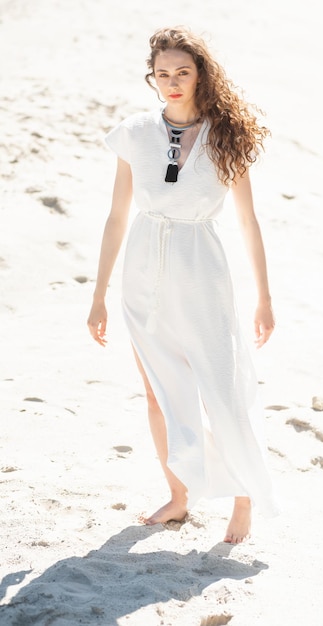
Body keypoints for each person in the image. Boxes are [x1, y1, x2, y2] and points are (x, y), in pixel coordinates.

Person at [87, 26, 278, 544]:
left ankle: (243, 497)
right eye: (162, 74)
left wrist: (263, 297)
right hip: (144, 271)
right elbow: (115, 217)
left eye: (183, 73)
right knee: (158, 390)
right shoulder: (133, 133)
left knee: (221, 388)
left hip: (202, 274)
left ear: (201, 75)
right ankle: (179, 496)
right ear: (152, 78)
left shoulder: (226, 135)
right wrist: (98, 295)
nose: (172, 83)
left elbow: (248, 222)